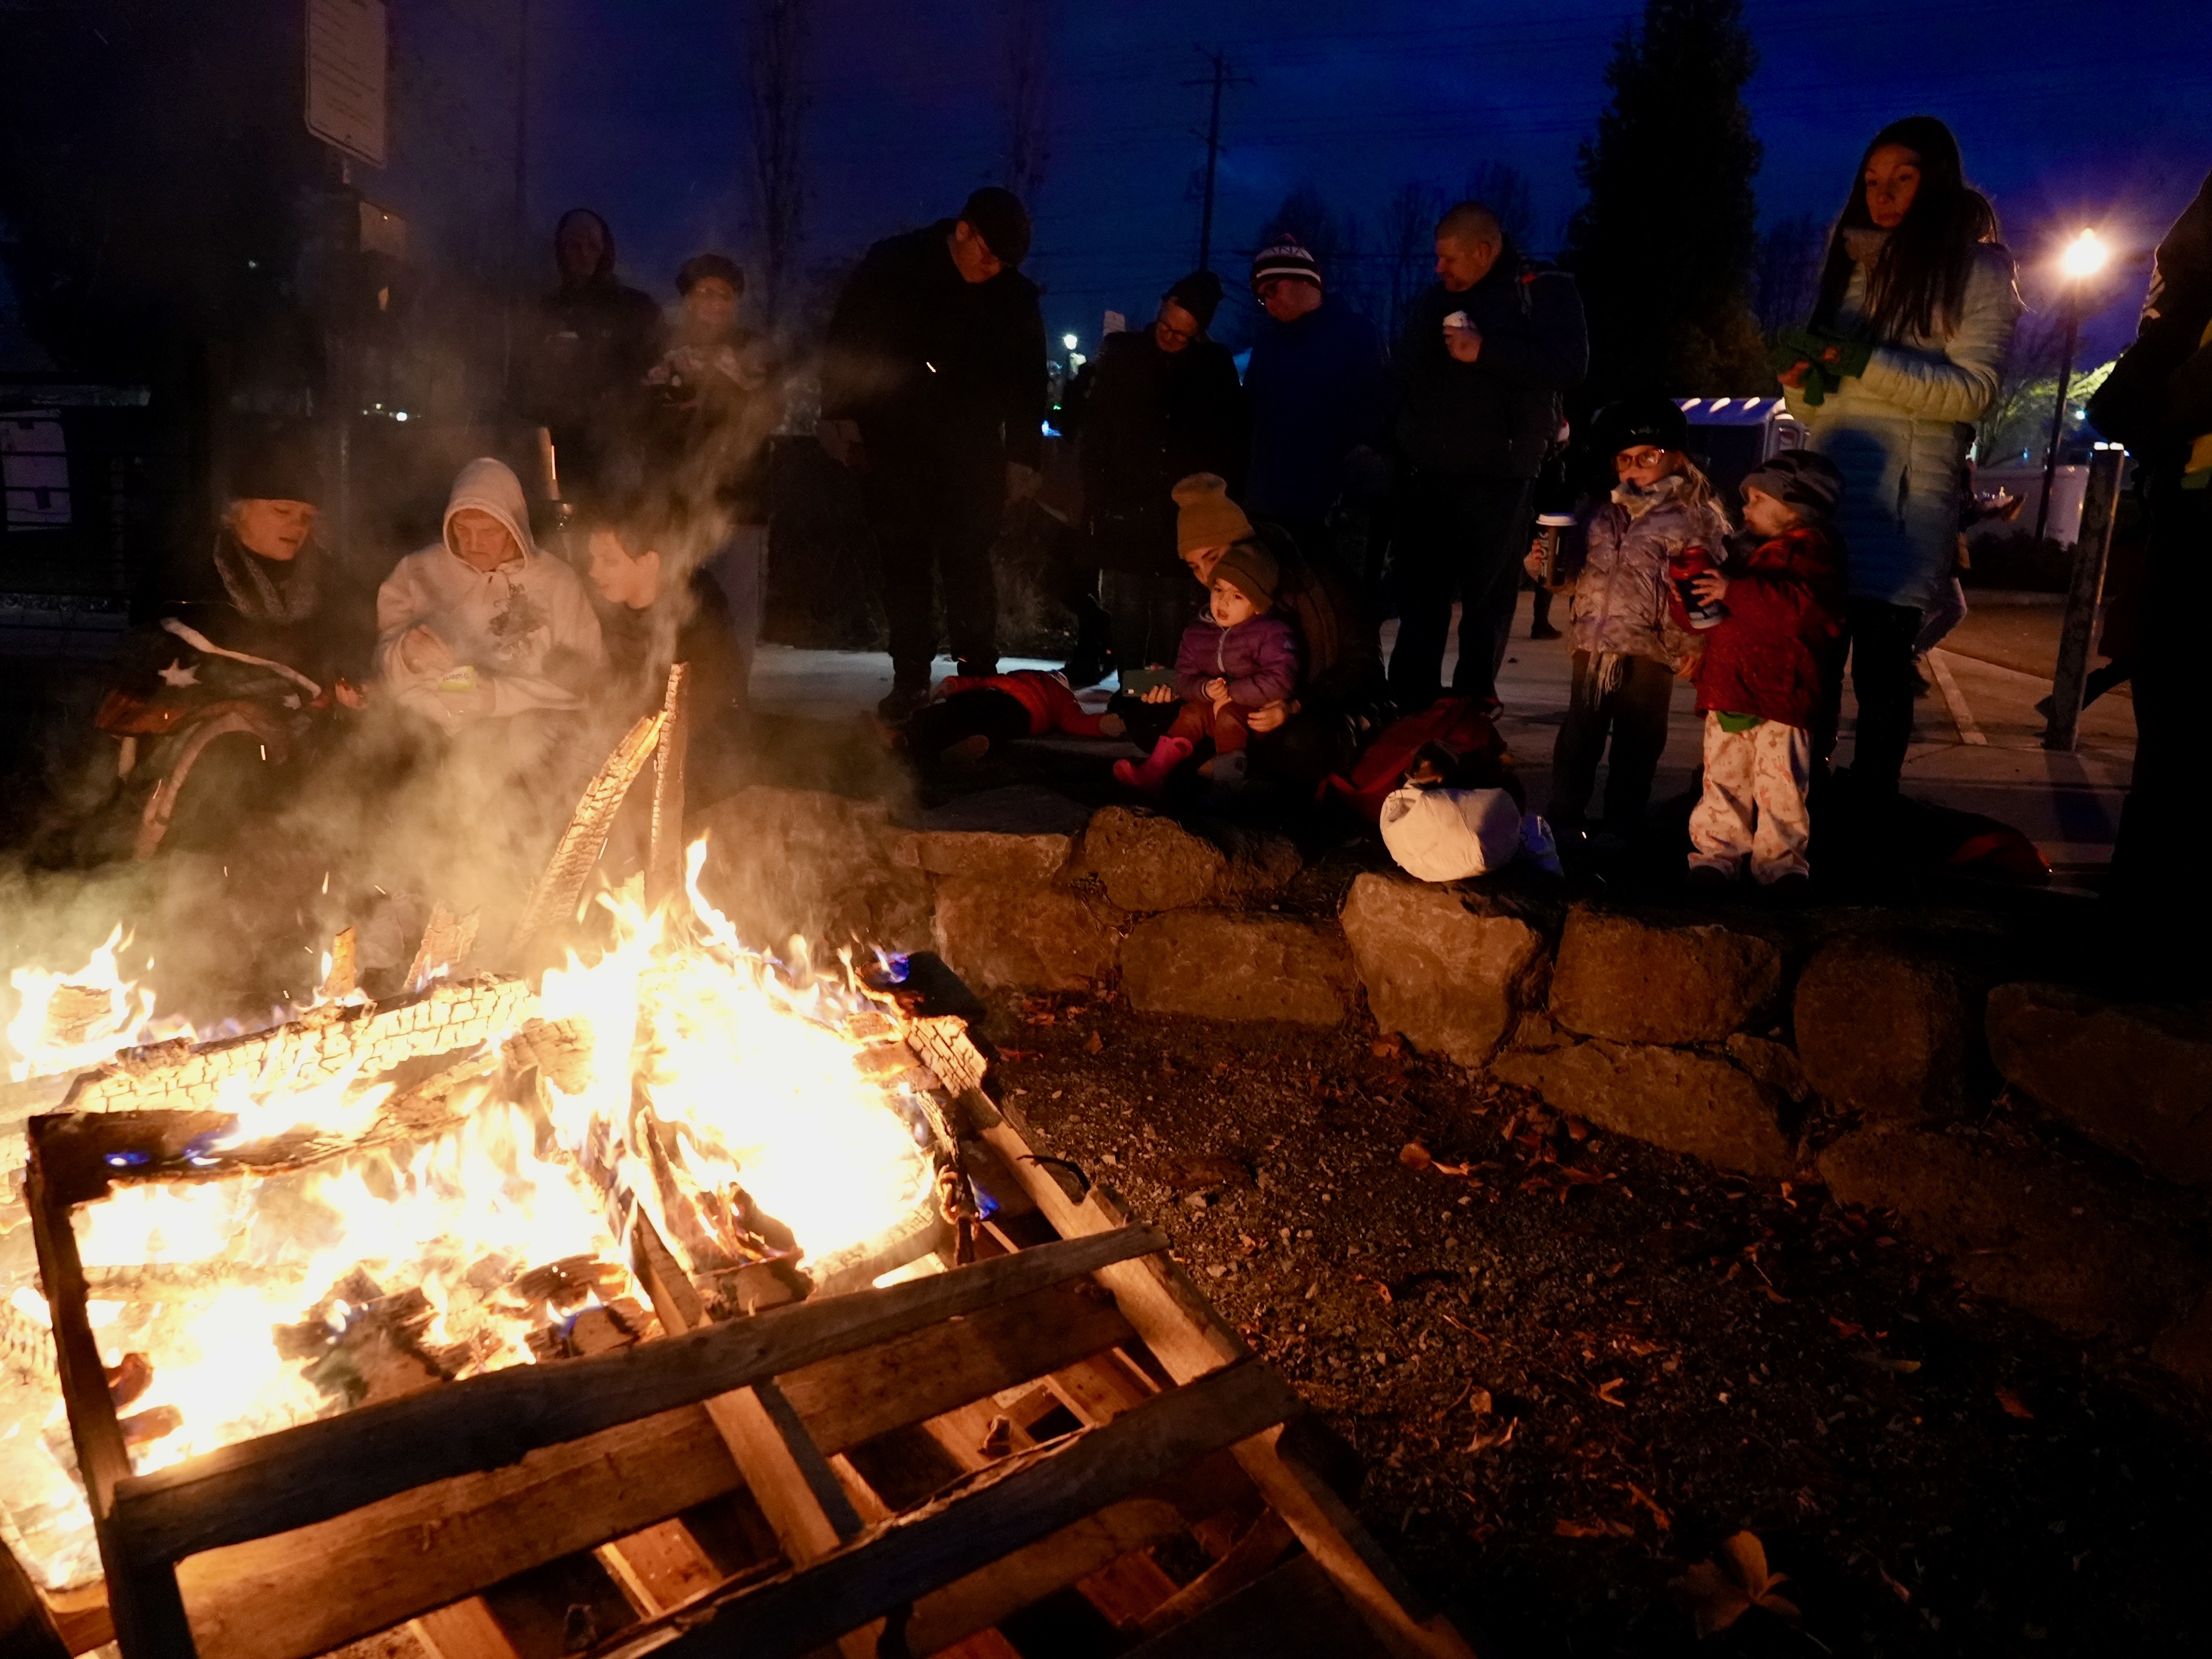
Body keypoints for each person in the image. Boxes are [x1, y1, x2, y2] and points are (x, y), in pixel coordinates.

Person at [1777, 116, 2021, 801]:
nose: (1882, 195)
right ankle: (1798, 807)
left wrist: (1862, 361)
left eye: (1902, 179)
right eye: (1872, 181)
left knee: (1881, 676)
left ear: (1936, 181)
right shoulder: (1850, 268)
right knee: (1813, 669)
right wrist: (1800, 384)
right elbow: (1818, 410)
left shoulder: (1976, 270)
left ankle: (1869, 813)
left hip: (1902, 505)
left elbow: (1972, 393)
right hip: (1828, 495)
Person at [820, 187, 1047, 720]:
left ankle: (977, 679)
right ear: (963, 230)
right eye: (987, 256)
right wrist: (839, 416)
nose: (991, 270)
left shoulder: (1013, 296)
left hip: (971, 452)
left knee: (968, 562)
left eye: (1003, 264)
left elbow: (1029, 380)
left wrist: (1023, 454)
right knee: (903, 563)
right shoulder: (895, 264)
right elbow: (847, 341)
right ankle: (910, 679)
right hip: (892, 442)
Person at [95, 427, 367, 857]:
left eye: (306, 518)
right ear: (238, 511)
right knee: (226, 764)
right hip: (200, 726)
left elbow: (349, 649)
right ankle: (194, 879)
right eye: (282, 511)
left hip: (304, 721)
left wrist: (350, 687)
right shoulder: (185, 573)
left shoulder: (330, 580)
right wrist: (232, 700)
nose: (296, 527)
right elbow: (149, 657)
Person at [1389, 200, 1589, 708]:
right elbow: (1404, 370)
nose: (1440, 269)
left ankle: (1472, 710)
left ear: (1484, 250)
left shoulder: (1540, 290)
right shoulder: (1435, 300)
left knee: (1486, 605)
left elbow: (1568, 366)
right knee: (1422, 604)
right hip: (1429, 475)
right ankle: (1411, 712)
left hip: (1501, 477)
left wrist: (1486, 351)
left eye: (1450, 259)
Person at [2087, 165, 2212, 940]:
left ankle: (2151, 924)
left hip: (2192, 488)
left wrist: (2156, 406)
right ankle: (2145, 921)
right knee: (2172, 725)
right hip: (2191, 501)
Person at [1526, 397, 1728, 850]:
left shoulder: (1695, 518)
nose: (1634, 468)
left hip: (1652, 649)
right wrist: (1542, 567)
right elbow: (1572, 576)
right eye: (1625, 459)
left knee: (1637, 742)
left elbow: (1707, 592)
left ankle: (1621, 823)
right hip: (1593, 644)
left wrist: (1698, 646)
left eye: (1648, 457)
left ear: (1677, 458)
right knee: (1579, 735)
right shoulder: (1600, 511)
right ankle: (1564, 819)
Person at [1677, 452, 1848, 893]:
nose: (1746, 508)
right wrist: (1686, 593)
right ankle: (1716, 856)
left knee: (1782, 786)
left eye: (1757, 498)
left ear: (1795, 507)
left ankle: (1781, 866)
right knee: (1724, 780)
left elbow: (1797, 611)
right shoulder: (1742, 554)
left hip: (1782, 697)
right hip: (1730, 689)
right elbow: (1713, 618)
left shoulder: (1816, 557)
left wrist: (1733, 590)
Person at [1078, 272, 1248, 679]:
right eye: (1167, 327)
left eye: (1182, 335)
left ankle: (1160, 695)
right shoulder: (1125, 355)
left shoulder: (1211, 369)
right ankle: (1131, 693)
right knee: (1129, 607)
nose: (1170, 338)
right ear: (1162, 306)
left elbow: (1231, 440)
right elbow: (1096, 430)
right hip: (1126, 505)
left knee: (1173, 609)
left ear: (1199, 335)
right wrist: (1095, 497)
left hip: (1183, 514)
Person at [643, 252, 780, 714]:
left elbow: (771, 412)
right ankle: (672, 698)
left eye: (724, 294)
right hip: (678, 503)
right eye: (704, 292)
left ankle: (732, 703)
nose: (714, 302)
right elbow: (641, 419)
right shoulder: (665, 348)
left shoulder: (753, 348)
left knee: (738, 608)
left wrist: (731, 381)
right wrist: (663, 387)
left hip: (741, 503)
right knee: (675, 598)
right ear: (686, 300)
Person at [375, 458, 605, 730]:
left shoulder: (558, 583)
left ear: (514, 527)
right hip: (424, 736)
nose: (473, 544)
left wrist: (499, 698)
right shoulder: (417, 572)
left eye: (489, 532)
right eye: (462, 529)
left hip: (531, 741)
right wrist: (405, 654)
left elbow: (589, 681)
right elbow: (379, 670)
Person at [1242, 238, 1390, 565]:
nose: (1268, 303)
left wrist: (1352, 488)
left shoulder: (1357, 335)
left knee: (1325, 610)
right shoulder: (1268, 344)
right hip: (1266, 509)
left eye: (1272, 289)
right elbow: (1250, 415)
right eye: (1261, 296)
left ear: (1302, 280)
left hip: (1328, 513)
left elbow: (1375, 417)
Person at [583, 506, 747, 797]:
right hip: (624, 759)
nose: (594, 572)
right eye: (593, 559)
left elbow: (709, 706)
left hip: (694, 773)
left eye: (608, 561)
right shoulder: (605, 612)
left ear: (649, 562)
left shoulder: (698, 618)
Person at [1115, 540, 1298, 793]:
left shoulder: (1272, 632)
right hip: (1211, 708)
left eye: (1237, 596)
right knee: (1190, 714)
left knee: (1227, 717)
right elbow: (1184, 678)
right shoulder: (1197, 633)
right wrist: (1204, 690)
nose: (1223, 602)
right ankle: (1154, 771)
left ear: (1257, 604)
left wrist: (1232, 693)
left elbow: (1281, 679)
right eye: (1219, 590)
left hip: (1254, 718)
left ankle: (1227, 786)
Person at [516, 209, 663, 507]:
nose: (583, 254)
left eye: (592, 246)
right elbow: (521, 386)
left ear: (604, 250)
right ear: (561, 251)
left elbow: (657, 374)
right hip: (562, 449)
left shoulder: (636, 309)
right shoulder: (544, 312)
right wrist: (550, 362)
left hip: (620, 447)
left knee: (618, 535)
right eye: (574, 245)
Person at [903, 668, 1126, 766]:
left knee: (994, 722)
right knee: (952, 710)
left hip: (1024, 712)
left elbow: (1075, 722)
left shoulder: (1065, 699)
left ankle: (962, 746)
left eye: (1062, 678)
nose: (1058, 676)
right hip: (990, 694)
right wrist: (954, 685)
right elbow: (979, 682)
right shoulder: (1018, 676)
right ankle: (904, 733)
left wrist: (1102, 724)